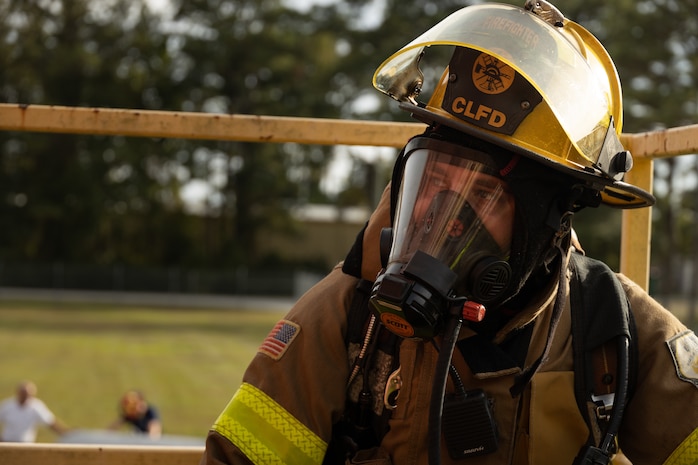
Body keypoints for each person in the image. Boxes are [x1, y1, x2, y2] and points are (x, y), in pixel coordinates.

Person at [200, 1, 698, 464]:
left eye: (482, 196)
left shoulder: (612, 324)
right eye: (433, 180)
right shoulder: (352, 314)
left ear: (550, 217)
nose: (445, 217)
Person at [0, 380, 68, 442]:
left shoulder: (36, 406)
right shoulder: (7, 405)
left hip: (25, 445)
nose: (25, 397)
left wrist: (66, 434)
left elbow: (50, 422)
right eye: (23, 394)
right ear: (18, 393)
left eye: (28, 395)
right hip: (7, 442)